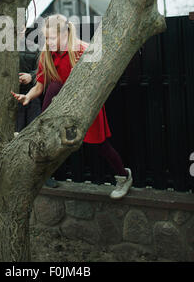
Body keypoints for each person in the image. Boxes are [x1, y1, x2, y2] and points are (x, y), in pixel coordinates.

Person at [11, 14, 133, 199]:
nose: (48, 42)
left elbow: (97, 83)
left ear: (65, 34)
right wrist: (27, 96)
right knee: (48, 139)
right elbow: (40, 85)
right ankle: (39, 174)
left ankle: (124, 177)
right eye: (46, 38)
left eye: (52, 38)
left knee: (101, 146)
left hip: (85, 104)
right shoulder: (47, 54)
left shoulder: (83, 50)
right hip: (58, 104)